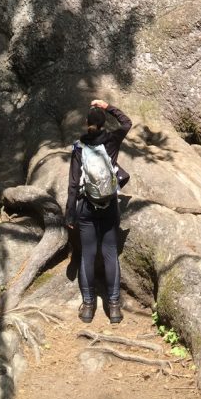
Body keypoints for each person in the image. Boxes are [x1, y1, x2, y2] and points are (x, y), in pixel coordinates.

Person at [66, 98, 132, 323]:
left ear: (86, 123)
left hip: (86, 208)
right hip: (109, 206)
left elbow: (74, 183)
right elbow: (126, 123)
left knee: (87, 255)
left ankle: (88, 307)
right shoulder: (112, 140)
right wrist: (108, 107)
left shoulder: (78, 146)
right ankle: (114, 308)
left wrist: (70, 213)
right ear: (104, 123)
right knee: (110, 254)